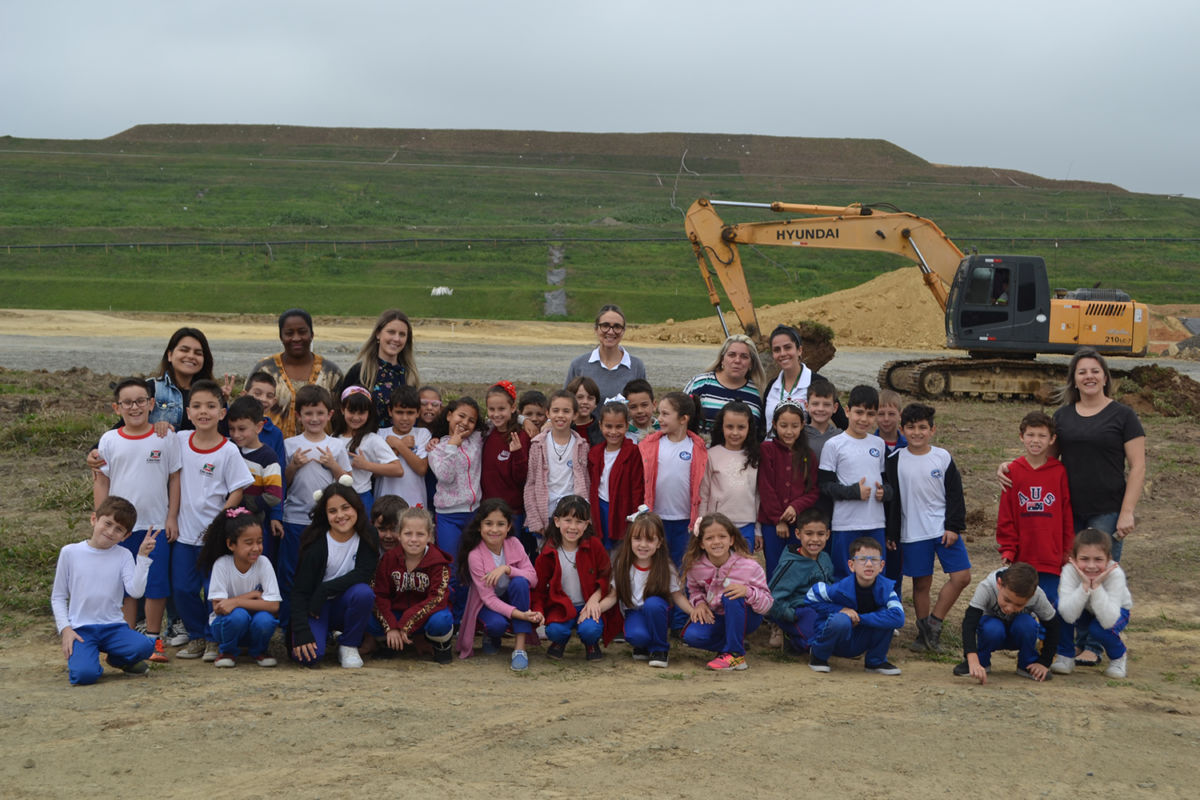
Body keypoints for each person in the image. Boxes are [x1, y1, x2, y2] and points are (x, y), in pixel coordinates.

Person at [998, 347, 1145, 665]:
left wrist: (1127, 511)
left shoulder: (1123, 415)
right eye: (1082, 372)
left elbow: (1138, 465)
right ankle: (1071, 642)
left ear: (1105, 376)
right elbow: (1043, 460)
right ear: (1074, 380)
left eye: (1095, 371)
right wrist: (1011, 466)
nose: (1089, 376)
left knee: (1098, 574)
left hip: (1106, 509)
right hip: (1064, 512)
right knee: (1071, 578)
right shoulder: (1063, 417)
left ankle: (1093, 644)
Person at [92, 377, 181, 662]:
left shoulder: (165, 438)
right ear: (117, 407)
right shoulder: (109, 439)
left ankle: (154, 639)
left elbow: (174, 478)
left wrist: (171, 517)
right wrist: (103, 521)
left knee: (155, 585)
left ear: (151, 404)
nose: (135, 407)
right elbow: (101, 480)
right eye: (127, 402)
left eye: (140, 401)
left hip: (154, 526)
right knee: (127, 587)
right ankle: (126, 638)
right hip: (121, 530)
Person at [171, 380, 254, 661]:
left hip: (214, 537)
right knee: (182, 588)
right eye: (196, 406)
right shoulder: (179, 440)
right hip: (184, 533)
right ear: (188, 412)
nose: (203, 411)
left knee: (214, 591)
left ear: (222, 412)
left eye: (210, 406)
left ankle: (213, 639)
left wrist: (221, 523)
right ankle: (196, 635)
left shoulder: (228, 450)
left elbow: (238, 489)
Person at [884, 403, 969, 653]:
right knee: (922, 584)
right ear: (902, 430)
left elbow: (955, 495)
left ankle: (935, 622)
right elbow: (891, 501)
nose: (917, 433)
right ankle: (924, 636)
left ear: (933, 429)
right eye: (911, 428)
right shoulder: (895, 460)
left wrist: (953, 526)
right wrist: (892, 532)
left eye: (923, 427)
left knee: (962, 577)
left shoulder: (942, 457)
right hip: (912, 533)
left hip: (943, 530)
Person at [51, 497, 158, 685]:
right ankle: (87, 661)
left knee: (146, 646)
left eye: (119, 529)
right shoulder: (70, 552)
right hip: (81, 629)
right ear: (94, 519)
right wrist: (66, 629)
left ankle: (116, 659)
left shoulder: (124, 555)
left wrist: (142, 557)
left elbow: (135, 591)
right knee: (84, 676)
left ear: (125, 536)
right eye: (107, 523)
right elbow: (58, 597)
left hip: (113, 627)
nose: (110, 532)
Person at [996, 410, 1075, 664]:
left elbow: (1065, 512)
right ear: (1021, 436)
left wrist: (1067, 550)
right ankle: (1025, 650)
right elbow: (1006, 515)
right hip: (1023, 556)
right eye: (1030, 434)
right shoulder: (1013, 471)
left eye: (1042, 435)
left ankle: (1049, 649)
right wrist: (1008, 549)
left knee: (1051, 605)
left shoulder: (1059, 471)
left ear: (1052, 440)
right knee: (1022, 605)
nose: (1036, 440)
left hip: (1050, 555)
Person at [281, 385, 352, 628]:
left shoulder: (337, 446)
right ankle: (291, 622)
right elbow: (282, 484)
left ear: (330, 415)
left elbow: (347, 482)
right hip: (294, 519)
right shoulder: (290, 445)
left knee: (323, 570)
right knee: (292, 570)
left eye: (320, 413)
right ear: (298, 415)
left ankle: (320, 620)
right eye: (308, 413)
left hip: (325, 522)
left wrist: (333, 465)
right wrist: (293, 466)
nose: (314, 419)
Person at [290, 478, 380, 669]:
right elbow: (299, 592)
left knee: (363, 593)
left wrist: (325, 589)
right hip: (316, 608)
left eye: (345, 508)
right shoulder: (315, 544)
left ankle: (348, 644)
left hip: (345, 602)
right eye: (332, 511)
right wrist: (301, 631)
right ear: (325, 514)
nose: (340, 515)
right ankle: (326, 635)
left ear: (356, 507)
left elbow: (363, 574)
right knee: (310, 657)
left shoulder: (368, 534)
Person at [456, 499, 543, 670]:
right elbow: (488, 599)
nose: (494, 529)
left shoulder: (514, 544)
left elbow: (533, 579)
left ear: (509, 526)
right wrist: (522, 615)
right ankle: (491, 635)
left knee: (519, 582)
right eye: (488, 523)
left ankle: (519, 649)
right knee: (497, 625)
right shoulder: (475, 555)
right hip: (487, 604)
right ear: (479, 526)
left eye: (500, 524)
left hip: (513, 598)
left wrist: (507, 569)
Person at [601, 510, 694, 668]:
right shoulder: (622, 565)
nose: (643, 545)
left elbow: (677, 597)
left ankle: (660, 649)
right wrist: (596, 607)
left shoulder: (666, 567)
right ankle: (643, 644)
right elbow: (613, 596)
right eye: (637, 539)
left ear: (659, 543)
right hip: (634, 611)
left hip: (658, 611)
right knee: (635, 636)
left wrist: (693, 612)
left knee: (653, 604)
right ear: (629, 540)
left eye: (650, 540)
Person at [681, 513, 772, 671]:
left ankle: (735, 654)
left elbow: (767, 604)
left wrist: (747, 592)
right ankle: (731, 643)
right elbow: (694, 590)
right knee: (691, 636)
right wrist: (700, 604)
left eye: (722, 536)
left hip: (746, 616)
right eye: (709, 538)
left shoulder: (749, 566)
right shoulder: (696, 567)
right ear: (701, 543)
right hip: (717, 617)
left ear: (731, 540)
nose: (716, 542)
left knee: (731, 596)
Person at [818, 385, 892, 579]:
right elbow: (825, 486)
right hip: (846, 523)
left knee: (872, 571)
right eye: (859, 412)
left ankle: (870, 608)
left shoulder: (879, 444)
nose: (864, 419)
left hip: (875, 522)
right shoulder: (834, 444)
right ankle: (846, 609)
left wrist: (885, 492)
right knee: (845, 572)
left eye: (870, 414)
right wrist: (853, 492)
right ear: (848, 411)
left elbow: (887, 482)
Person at [805, 536, 904, 675]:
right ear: (851, 565)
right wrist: (840, 609)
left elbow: (899, 618)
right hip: (836, 640)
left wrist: (860, 618)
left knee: (886, 614)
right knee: (841, 620)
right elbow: (811, 596)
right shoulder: (839, 588)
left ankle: (875, 662)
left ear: (881, 566)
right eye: (862, 559)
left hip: (860, 639)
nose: (869, 564)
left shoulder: (886, 589)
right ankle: (818, 656)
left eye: (874, 560)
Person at [197, 507, 281, 668]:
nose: (256, 548)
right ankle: (227, 651)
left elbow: (273, 605)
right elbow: (219, 607)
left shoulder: (264, 563)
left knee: (265, 619)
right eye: (249, 543)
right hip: (227, 625)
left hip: (254, 626)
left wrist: (234, 602)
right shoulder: (222, 564)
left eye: (260, 541)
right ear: (231, 544)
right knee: (238, 616)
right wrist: (252, 595)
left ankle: (259, 651)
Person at [533, 495, 612, 661]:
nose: (573, 527)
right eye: (568, 520)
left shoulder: (594, 545)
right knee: (555, 631)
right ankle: (559, 642)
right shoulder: (548, 552)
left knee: (590, 630)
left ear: (587, 523)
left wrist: (594, 599)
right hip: (560, 605)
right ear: (557, 521)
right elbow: (538, 589)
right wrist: (539, 611)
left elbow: (606, 576)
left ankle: (591, 643)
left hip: (587, 604)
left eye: (579, 522)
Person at [427, 396, 484, 623]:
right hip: (448, 516)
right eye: (461, 416)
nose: (465, 423)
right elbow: (445, 476)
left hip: (474, 513)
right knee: (450, 569)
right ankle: (449, 617)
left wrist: (522, 417)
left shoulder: (478, 440)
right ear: (449, 415)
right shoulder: (437, 449)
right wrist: (452, 445)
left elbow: (502, 421)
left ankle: (467, 618)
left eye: (471, 420)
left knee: (471, 569)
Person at [372, 507, 455, 664]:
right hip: (397, 614)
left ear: (429, 536)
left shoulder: (438, 563)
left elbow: (437, 598)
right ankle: (390, 642)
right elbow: (380, 595)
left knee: (441, 620)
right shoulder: (389, 559)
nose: (414, 539)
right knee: (369, 618)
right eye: (408, 533)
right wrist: (391, 627)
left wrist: (406, 623)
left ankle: (441, 645)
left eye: (420, 534)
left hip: (426, 617)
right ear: (399, 535)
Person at [954, 562, 1059, 683]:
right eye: (1007, 600)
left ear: (1031, 596)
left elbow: (1053, 625)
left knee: (1026, 624)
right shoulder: (987, 587)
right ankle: (980, 662)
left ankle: (1027, 664)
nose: (1009, 608)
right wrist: (972, 659)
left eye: (1019, 605)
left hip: (1018, 632)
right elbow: (969, 623)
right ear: (999, 584)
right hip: (993, 633)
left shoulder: (1038, 595)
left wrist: (1044, 662)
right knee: (993, 628)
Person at [246, 309, 344, 438]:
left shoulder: (331, 373)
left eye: (302, 332)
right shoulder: (265, 369)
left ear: (312, 334)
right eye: (289, 333)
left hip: (320, 454)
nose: (296, 338)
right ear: (281, 336)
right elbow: (246, 410)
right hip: (271, 451)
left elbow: (342, 418)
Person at [639, 392, 707, 569]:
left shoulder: (698, 448)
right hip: (656, 518)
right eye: (659, 413)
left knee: (681, 566)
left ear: (683, 418)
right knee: (656, 565)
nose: (659, 418)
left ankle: (679, 596)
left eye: (665, 414)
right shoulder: (649, 445)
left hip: (685, 520)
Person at [1055, 528, 1133, 678]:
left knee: (1099, 629)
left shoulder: (1115, 574)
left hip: (1114, 611)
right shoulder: (1069, 571)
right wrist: (1084, 586)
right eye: (1084, 559)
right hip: (1083, 610)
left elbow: (1108, 620)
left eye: (1098, 559)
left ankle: (1118, 657)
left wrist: (1096, 586)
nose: (1091, 566)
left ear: (1109, 558)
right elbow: (1068, 616)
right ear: (1074, 558)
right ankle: (1065, 656)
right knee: (1058, 607)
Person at [757, 402, 819, 584]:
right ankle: (774, 608)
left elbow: (813, 491)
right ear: (775, 425)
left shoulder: (808, 454)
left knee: (798, 565)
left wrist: (795, 507)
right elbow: (765, 487)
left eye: (794, 426)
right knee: (775, 567)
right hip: (772, 523)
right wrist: (779, 519)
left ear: (802, 425)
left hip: (798, 523)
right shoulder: (766, 450)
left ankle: (794, 608)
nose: (789, 431)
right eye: (783, 426)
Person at [225, 396, 284, 565]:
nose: (236, 434)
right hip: (229, 521)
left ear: (259, 427)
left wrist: (243, 502)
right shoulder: (230, 449)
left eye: (242, 429)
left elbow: (274, 495)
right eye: (232, 429)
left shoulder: (267, 456)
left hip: (254, 523)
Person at [767, 509, 835, 654]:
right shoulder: (790, 564)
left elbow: (830, 583)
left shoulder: (825, 558)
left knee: (838, 631)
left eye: (820, 534)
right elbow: (773, 597)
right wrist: (791, 615)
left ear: (827, 535)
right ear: (798, 534)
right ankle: (793, 640)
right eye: (809, 534)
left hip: (822, 608)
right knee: (817, 643)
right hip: (799, 611)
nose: (815, 539)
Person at [524, 390, 590, 538]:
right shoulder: (537, 445)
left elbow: (585, 481)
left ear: (575, 415)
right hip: (545, 512)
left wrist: (585, 513)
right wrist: (535, 519)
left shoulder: (581, 446)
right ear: (548, 413)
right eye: (556, 410)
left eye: (566, 411)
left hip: (572, 515)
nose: (560, 415)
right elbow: (531, 484)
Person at [332, 385, 403, 517]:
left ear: (369, 413)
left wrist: (367, 465)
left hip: (361, 497)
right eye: (351, 411)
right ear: (342, 410)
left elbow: (397, 469)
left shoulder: (372, 439)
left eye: (361, 413)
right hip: (335, 497)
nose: (356, 417)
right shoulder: (333, 437)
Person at [700, 401, 761, 552]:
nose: (735, 432)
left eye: (741, 427)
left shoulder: (756, 457)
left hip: (747, 525)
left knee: (742, 571)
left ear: (749, 428)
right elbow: (704, 494)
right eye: (729, 427)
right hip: (717, 525)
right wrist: (701, 525)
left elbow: (759, 496)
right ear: (722, 426)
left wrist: (758, 530)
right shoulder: (711, 455)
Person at [761, 324, 847, 429]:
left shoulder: (818, 382)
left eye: (788, 347)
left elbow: (843, 424)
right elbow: (763, 427)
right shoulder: (772, 386)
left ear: (799, 350)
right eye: (777, 350)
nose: (782, 353)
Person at [341, 309, 420, 422]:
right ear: (378, 333)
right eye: (391, 332)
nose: (396, 339)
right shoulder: (360, 372)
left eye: (402, 334)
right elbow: (342, 412)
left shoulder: (410, 375)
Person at [684, 334, 766, 437]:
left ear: (751, 364)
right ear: (722, 359)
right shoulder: (700, 384)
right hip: (699, 451)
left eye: (744, 356)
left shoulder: (758, 394)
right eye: (732, 355)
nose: (737, 360)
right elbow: (677, 417)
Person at [588, 401, 645, 551]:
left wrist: (636, 516)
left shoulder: (633, 452)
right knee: (601, 549)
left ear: (627, 426)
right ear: (600, 425)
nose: (613, 432)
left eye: (619, 426)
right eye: (608, 426)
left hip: (622, 509)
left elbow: (637, 488)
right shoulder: (595, 453)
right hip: (600, 508)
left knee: (621, 550)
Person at [564, 304, 648, 405]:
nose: (611, 332)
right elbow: (565, 403)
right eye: (605, 326)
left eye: (617, 327)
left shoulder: (636, 366)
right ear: (596, 329)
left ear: (623, 331)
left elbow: (642, 404)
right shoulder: (578, 365)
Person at [481, 381, 531, 536]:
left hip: (512, 512)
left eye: (502, 409)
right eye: (492, 409)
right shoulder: (486, 433)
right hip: (487, 510)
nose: (496, 414)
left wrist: (517, 454)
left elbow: (522, 478)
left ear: (513, 407)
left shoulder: (521, 436)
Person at [378, 387, 431, 510]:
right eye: (399, 412)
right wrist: (401, 444)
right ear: (390, 411)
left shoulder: (423, 434)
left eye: (410, 413)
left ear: (418, 412)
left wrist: (398, 445)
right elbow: (376, 471)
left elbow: (421, 469)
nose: (405, 418)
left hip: (415, 501)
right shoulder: (380, 434)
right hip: (385, 501)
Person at [566, 375, 603, 446]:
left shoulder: (602, 430)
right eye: (580, 397)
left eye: (590, 398)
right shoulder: (563, 428)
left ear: (596, 403)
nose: (585, 402)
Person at [622, 379, 659, 443]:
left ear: (654, 405)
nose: (639, 411)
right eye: (633, 407)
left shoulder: (665, 430)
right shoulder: (623, 434)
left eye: (644, 405)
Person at [874, 390, 907, 456]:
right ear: (875, 415)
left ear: (900, 416)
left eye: (891, 414)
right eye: (881, 414)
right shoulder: (869, 445)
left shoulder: (909, 446)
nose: (886, 419)